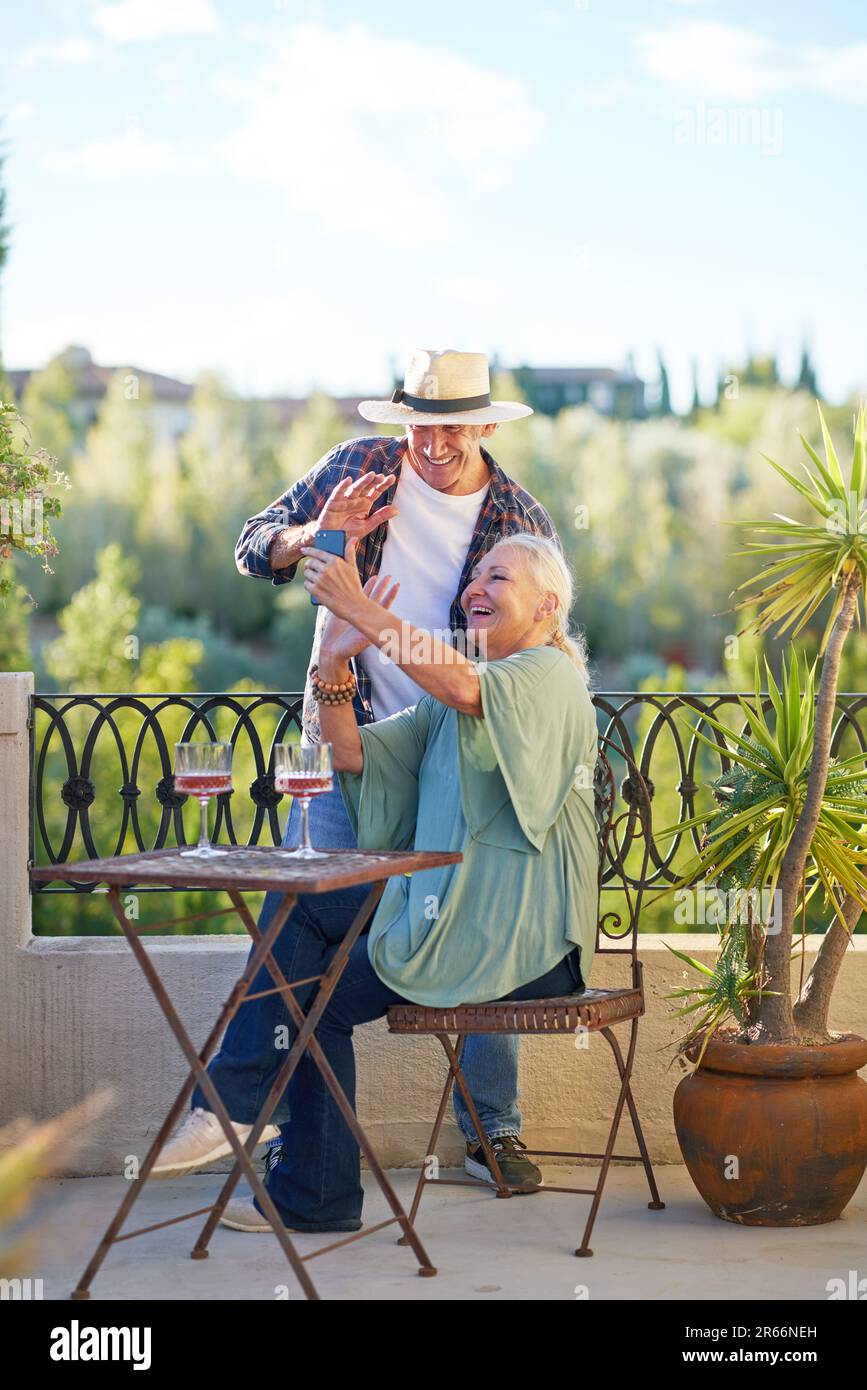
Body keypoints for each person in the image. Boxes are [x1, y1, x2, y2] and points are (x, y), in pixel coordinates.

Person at [154, 349, 567, 1198]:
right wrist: (314, 539)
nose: (433, 441)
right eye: (419, 423)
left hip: (458, 736)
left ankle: (487, 1129)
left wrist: (365, 614)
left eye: (451, 426)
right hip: (357, 728)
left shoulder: (518, 516)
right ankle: (295, 1146)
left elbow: (518, 651)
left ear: (484, 426)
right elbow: (253, 546)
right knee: (305, 898)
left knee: (461, 886)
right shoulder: (357, 468)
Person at [216, 531, 598, 1232]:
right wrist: (334, 662)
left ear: (546, 606)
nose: (475, 588)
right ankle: (244, 1117)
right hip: (455, 914)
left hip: (525, 938)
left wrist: (361, 611)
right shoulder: (453, 701)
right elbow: (351, 751)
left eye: (498, 577)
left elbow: (460, 682)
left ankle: (275, 1151)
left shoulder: (545, 675)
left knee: (316, 998)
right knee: (304, 901)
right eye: (474, 575)